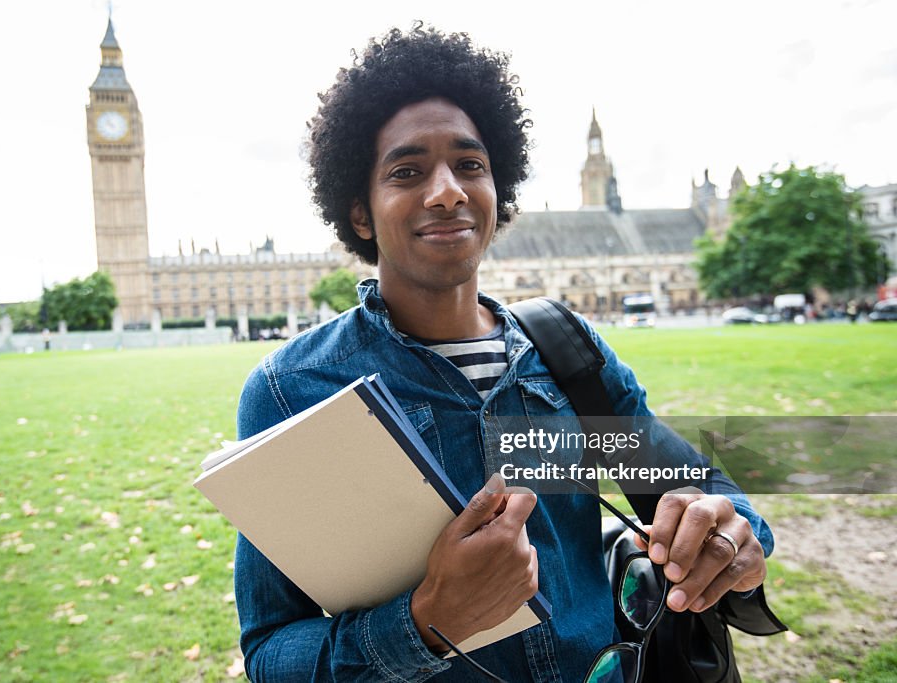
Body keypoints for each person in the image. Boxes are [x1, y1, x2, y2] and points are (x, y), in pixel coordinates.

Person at [233, 25, 773, 682]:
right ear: (360, 213)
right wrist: (427, 621)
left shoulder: (566, 352)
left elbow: (703, 489)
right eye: (407, 171)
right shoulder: (294, 388)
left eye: (470, 165)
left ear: (499, 189)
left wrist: (731, 530)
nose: (447, 191)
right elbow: (269, 651)